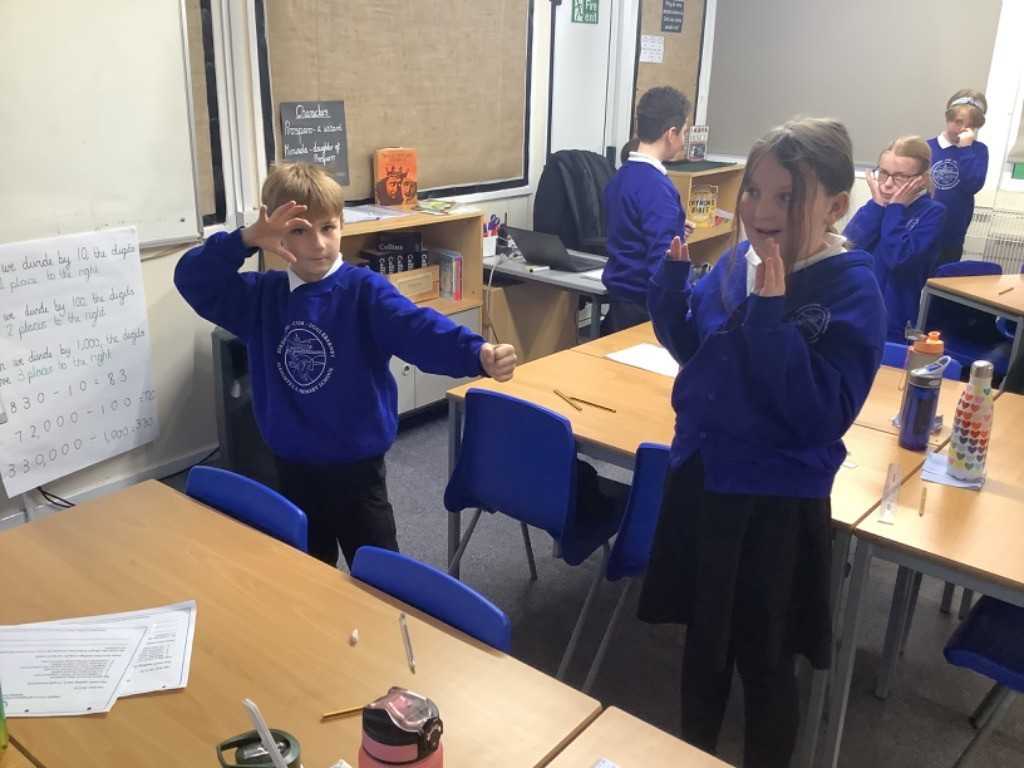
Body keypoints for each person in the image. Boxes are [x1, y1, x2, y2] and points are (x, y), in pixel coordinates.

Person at [638, 118, 886, 767]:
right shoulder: (736, 263)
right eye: (753, 191)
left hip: (774, 502)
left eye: (786, 197)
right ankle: (693, 753)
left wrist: (772, 322)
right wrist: (670, 287)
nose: (761, 210)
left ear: (835, 206)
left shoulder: (851, 288)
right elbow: (696, 350)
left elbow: (821, 414)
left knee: (765, 659)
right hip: (707, 478)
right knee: (704, 645)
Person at [175, 162, 516, 567]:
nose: (318, 244)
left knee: (377, 577)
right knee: (308, 574)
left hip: (358, 470)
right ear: (277, 235)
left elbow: (419, 329)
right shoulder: (261, 298)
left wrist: (477, 352)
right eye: (299, 231)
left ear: (341, 225)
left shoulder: (364, 291)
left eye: (328, 228)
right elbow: (192, 279)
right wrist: (244, 239)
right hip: (292, 467)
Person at [602, 86, 691, 333]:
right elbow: (662, 260)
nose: (684, 140)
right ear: (671, 134)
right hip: (646, 308)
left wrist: (676, 226)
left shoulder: (620, 177)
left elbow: (630, 228)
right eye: (684, 132)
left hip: (620, 301)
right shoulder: (658, 188)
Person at [844, 136, 946, 340]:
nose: (888, 184)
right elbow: (847, 248)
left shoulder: (933, 213)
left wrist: (895, 209)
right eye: (883, 173)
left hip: (893, 318)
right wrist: (877, 206)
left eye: (900, 177)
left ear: (921, 179)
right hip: (855, 311)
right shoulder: (875, 207)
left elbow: (898, 258)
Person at [927, 90, 989, 268]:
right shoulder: (927, 147)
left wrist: (965, 149)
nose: (963, 129)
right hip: (925, 225)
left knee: (944, 275)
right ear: (948, 118)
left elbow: (973, 184)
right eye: (958, 122)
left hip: (954, 230)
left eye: (970, 126)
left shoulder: (978, 150)